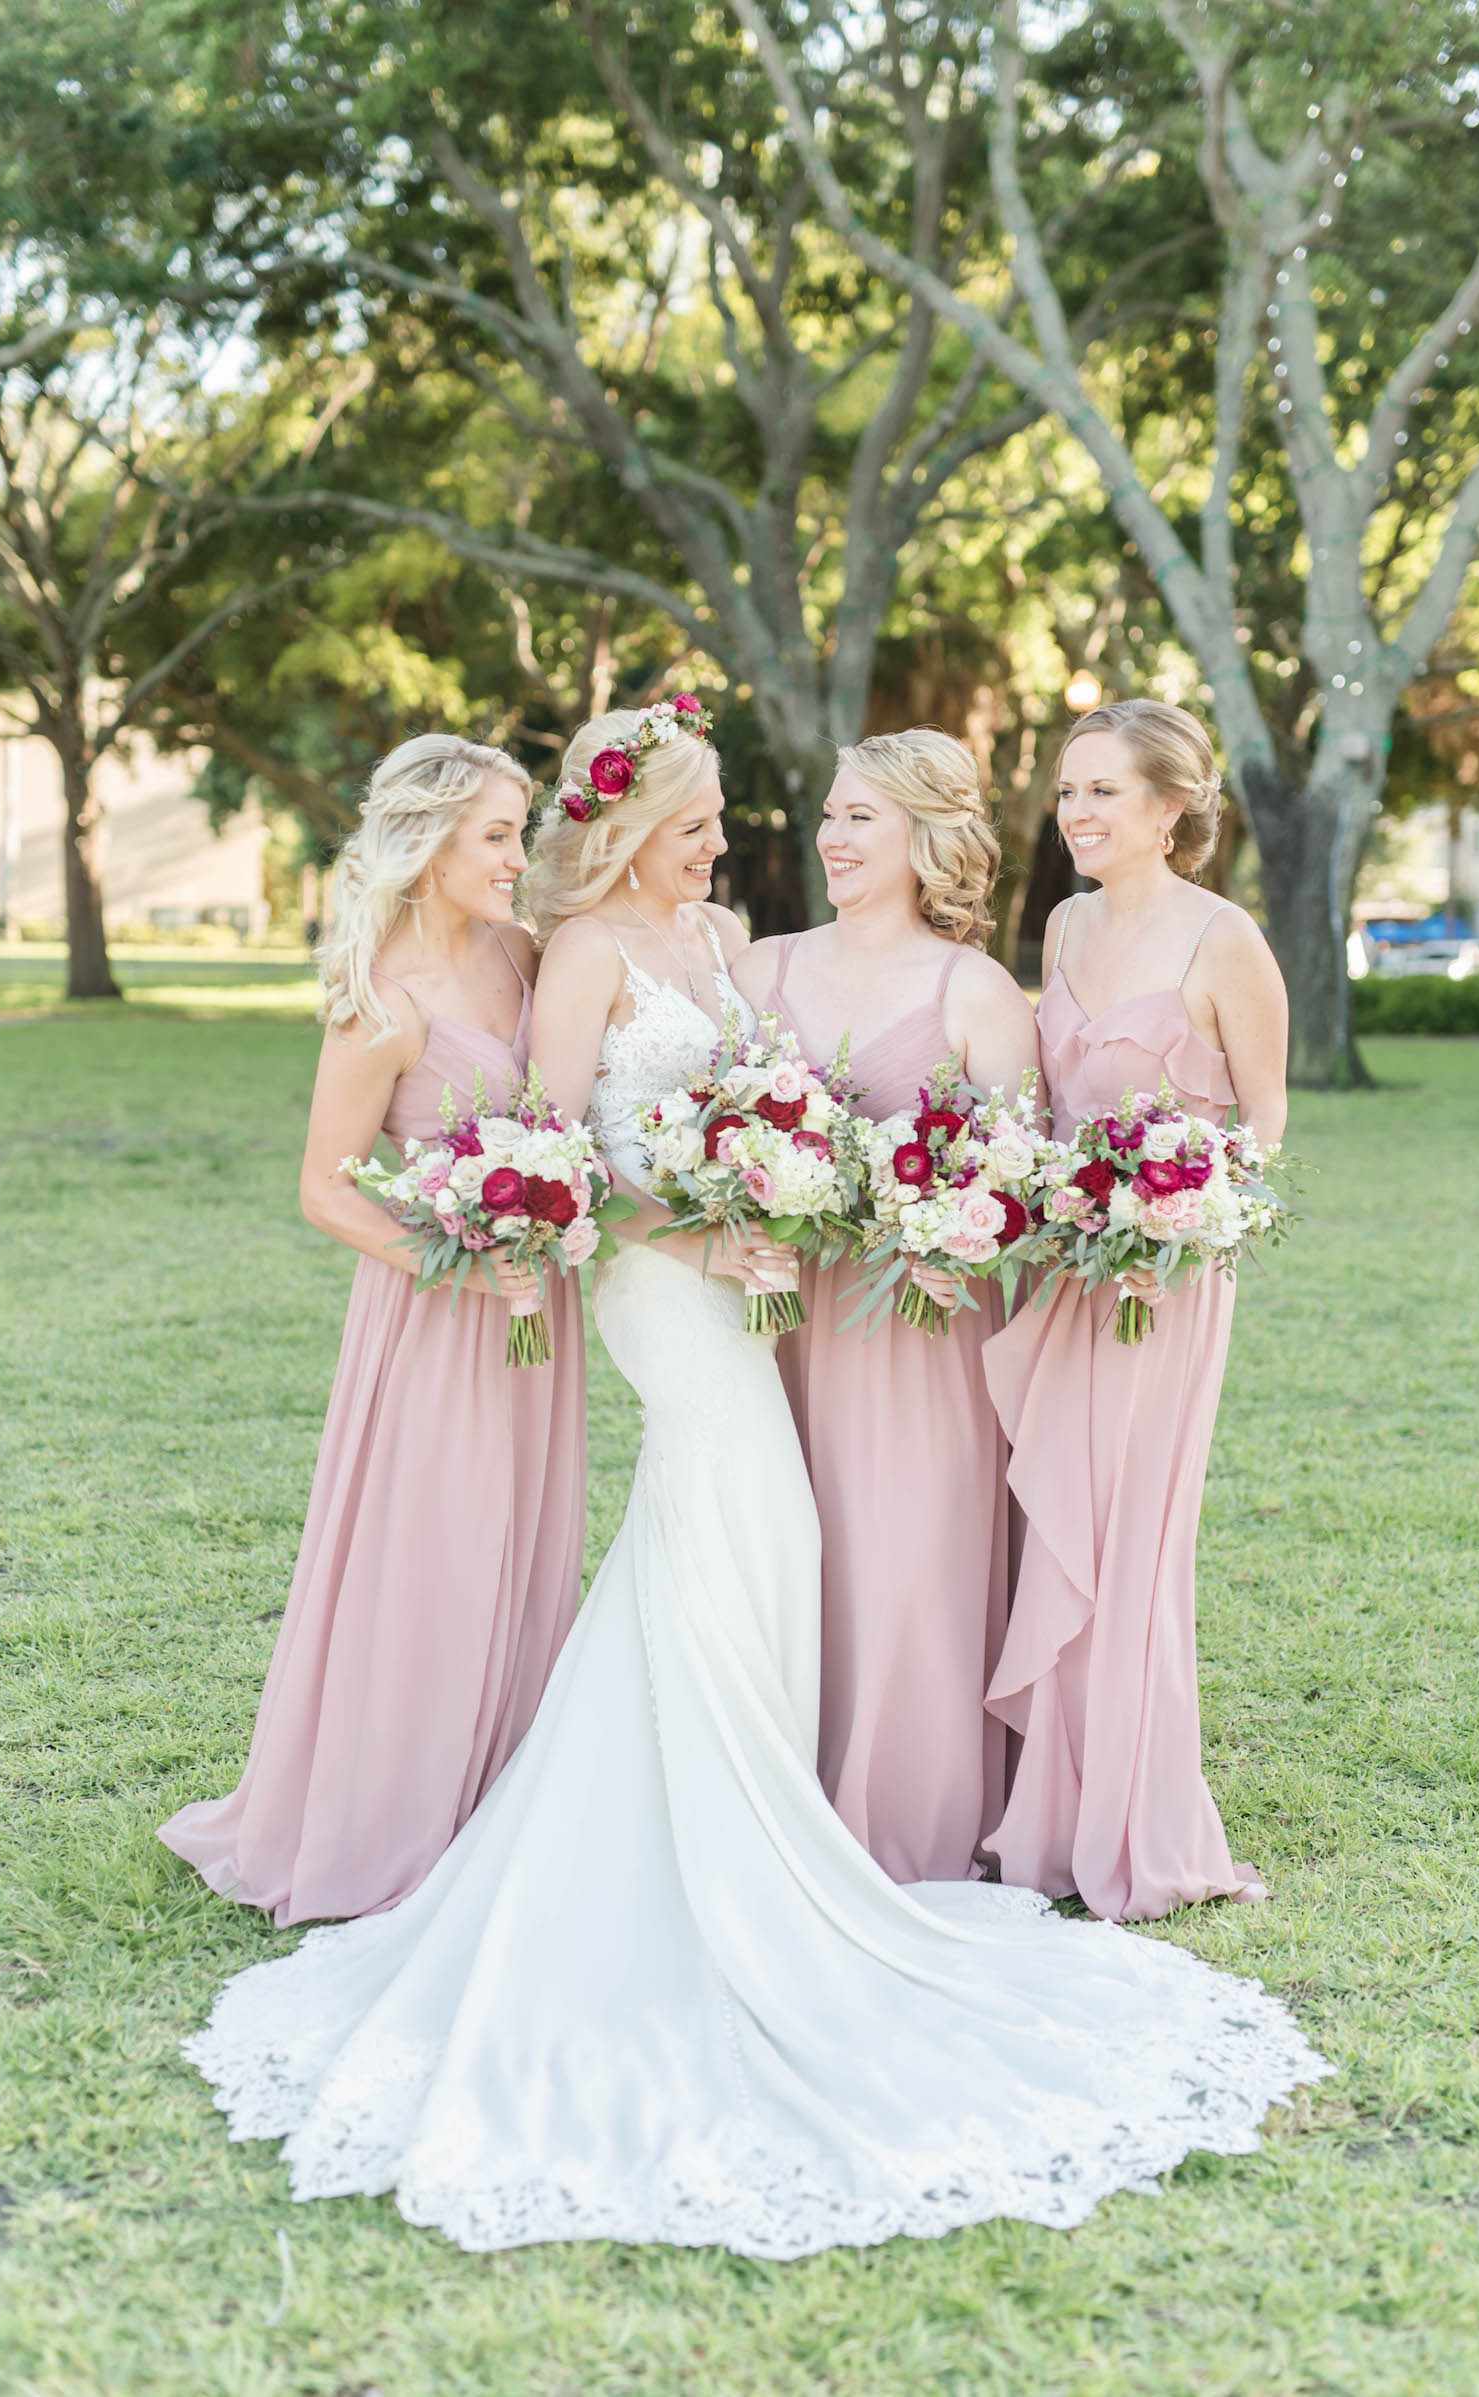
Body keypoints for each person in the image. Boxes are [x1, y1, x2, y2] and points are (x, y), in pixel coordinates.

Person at [177, 699, 1324, 2262]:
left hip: (755, 1270)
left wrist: (780, 1183)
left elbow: (798, 1094)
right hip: (675, 1283)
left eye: (733, 818)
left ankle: (753, 1800)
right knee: (750, 1514)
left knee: (750, 1536)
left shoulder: (725, 943)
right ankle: (713, 1827)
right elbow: (569, 1141)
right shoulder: (583, 952)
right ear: (642, 821)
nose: (737, 838)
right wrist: (699, 1225)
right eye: (706, 815)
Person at [159, 737, 586, 1926]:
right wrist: (460, 1258)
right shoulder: (380, 1003)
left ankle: (501, 1793)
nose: (518, 855)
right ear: (429, 842)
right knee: (434, 1552)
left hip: (537, 1305)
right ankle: (395, 1815)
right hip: (438, 1314)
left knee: (528, 1542)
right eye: (497, 835)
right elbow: (325, 1189)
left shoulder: (526, 951)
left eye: (519, 830)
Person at [980, 698, 1289, 1921]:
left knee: (1131, 1539)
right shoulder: (1060, 924)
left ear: (1171, 808)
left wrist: (1184, 1225)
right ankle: (1048, 1811)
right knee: (1055, 1518)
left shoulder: (1225, 941)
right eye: (1066, 792)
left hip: (1163, 1283)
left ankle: (1132, 1815)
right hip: (1064, 1267)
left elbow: (1262, 1125)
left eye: (1102, 792)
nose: (1077, 814)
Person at [733, 730, 1039, 1882]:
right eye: (828, 815)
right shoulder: (759, 970)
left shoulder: (973, 989)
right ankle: (779, 1793)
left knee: (906, 1563)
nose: (830, 838)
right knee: (784, 1553)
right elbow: (709, 1135)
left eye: (859, 818)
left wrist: (953, 1234)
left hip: (920, 1327)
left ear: (924, 834)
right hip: (780, 1324)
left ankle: (901, 1822)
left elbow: (1020, 1175)